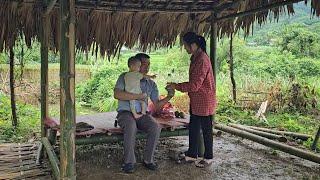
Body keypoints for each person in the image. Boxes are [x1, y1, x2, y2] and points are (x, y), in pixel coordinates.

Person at [114, 53, 175, 173]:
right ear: (136, 65)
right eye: (143, 64)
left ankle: (148, 160)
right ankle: (129, 162)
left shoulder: (151, 83)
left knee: (155, 126)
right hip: (125, 112)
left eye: (149, 64)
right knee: (131, 126)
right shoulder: (125, 76)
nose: (147, 67)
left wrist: (169, 96)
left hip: (142, 113)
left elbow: (156, 105)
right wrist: (137, 96)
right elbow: (117, 94)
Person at [166, 32, 216, 168]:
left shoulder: (202, 60)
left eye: (186, 46)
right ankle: (192, 154)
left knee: (206, 130)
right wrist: (177, 85)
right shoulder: (196, 57)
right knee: (194, 127)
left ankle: (208, 157)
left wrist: (176, 86)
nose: (186, 49)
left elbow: (194, 85)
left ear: (194, 45)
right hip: (196, 99)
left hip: (204, 100)